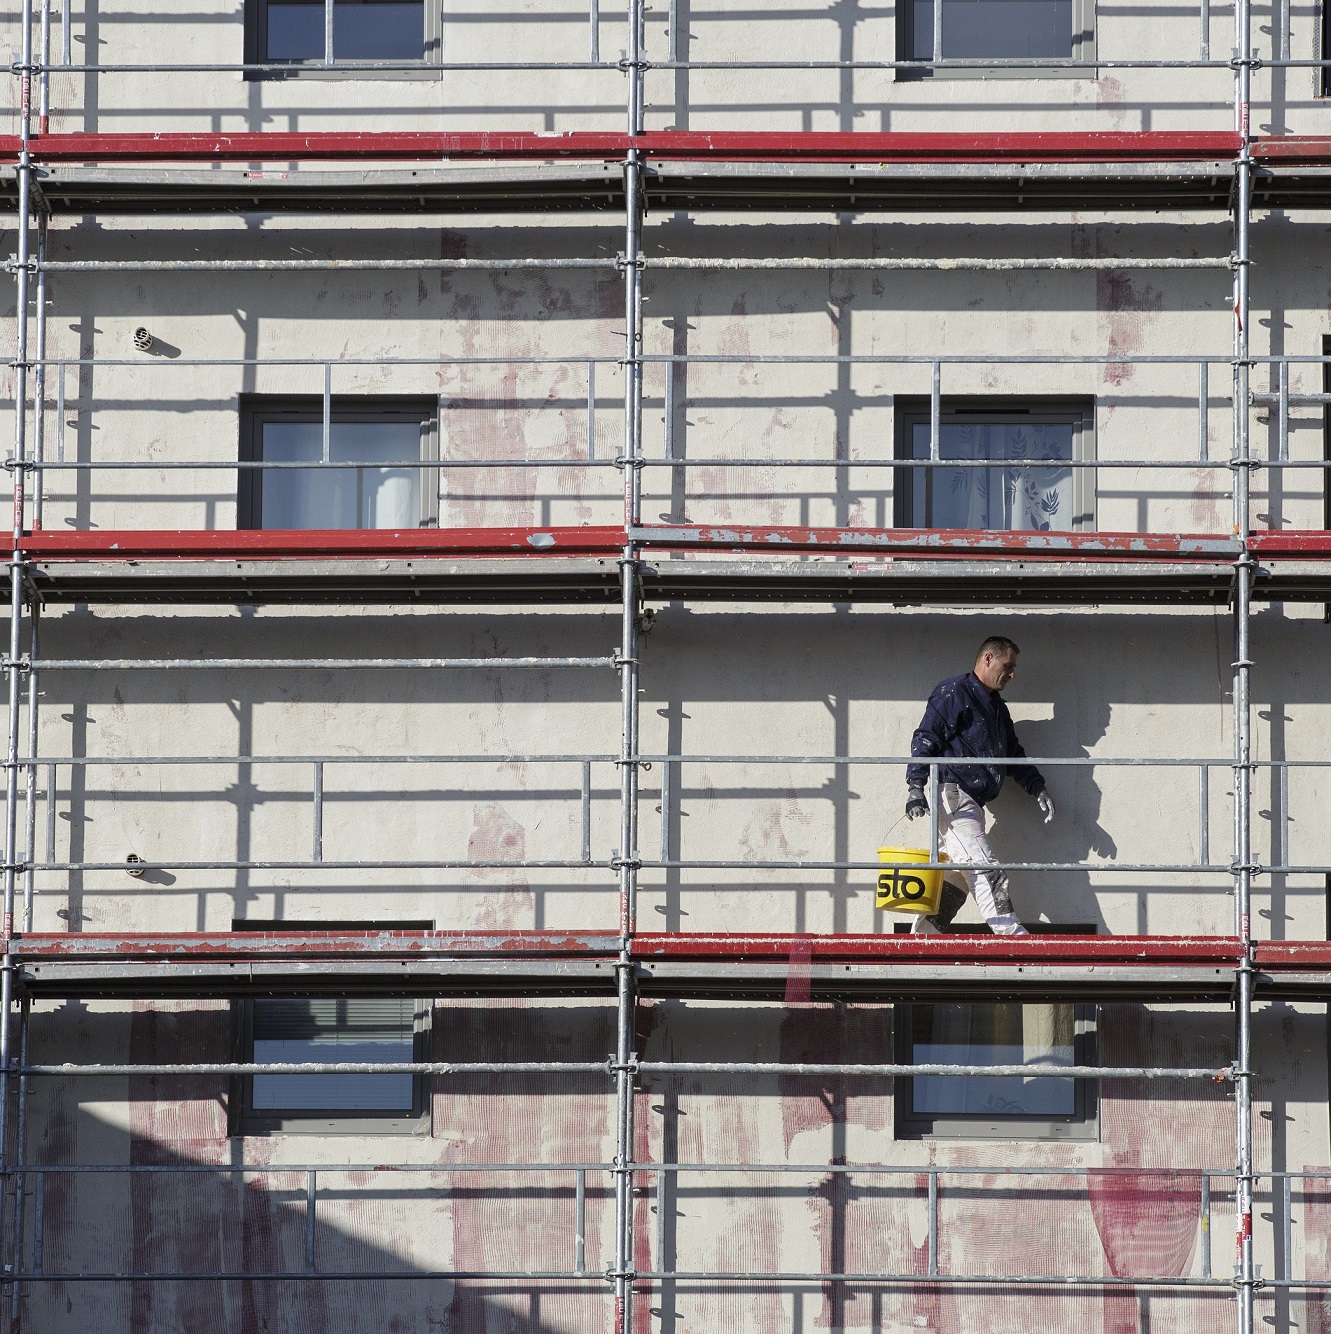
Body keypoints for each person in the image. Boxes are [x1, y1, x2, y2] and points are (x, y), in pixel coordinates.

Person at [904, 635, 1055, 936]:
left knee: (960, 876)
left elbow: (1012, 753)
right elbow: (925, 739)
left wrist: (1037, 786)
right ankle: (1012, 935)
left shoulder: (997, 708)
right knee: (987, 869)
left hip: (972, 802)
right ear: (987, 659)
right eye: (1008, 666)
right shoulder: (954, 692)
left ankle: (921, 938)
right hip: (954, 796)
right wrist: (915, 787)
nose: (1012, 674)